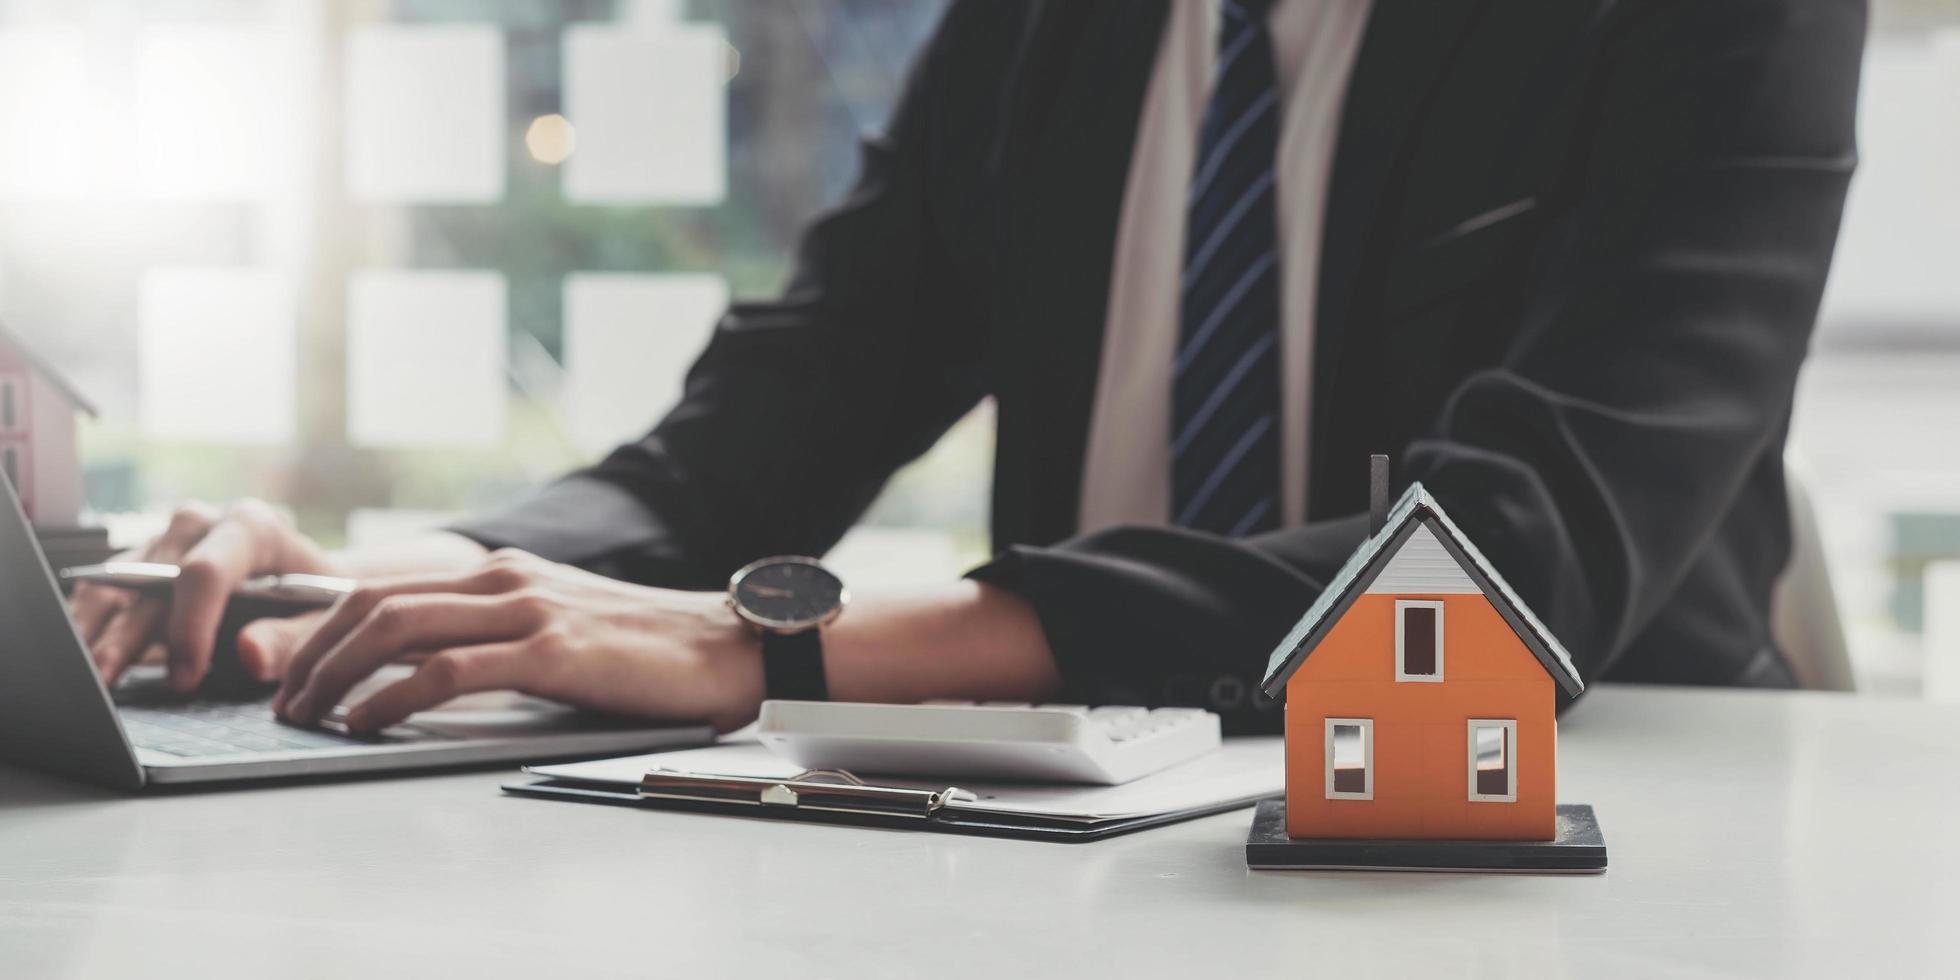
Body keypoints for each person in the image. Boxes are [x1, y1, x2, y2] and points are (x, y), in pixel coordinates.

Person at [70, 0, 1866, 735]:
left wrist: (768, 645)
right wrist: (418, 584)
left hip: (1580, 829)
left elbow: (1500, 572)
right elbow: (750, 447)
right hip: (1063, 828)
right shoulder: (1047, 27)